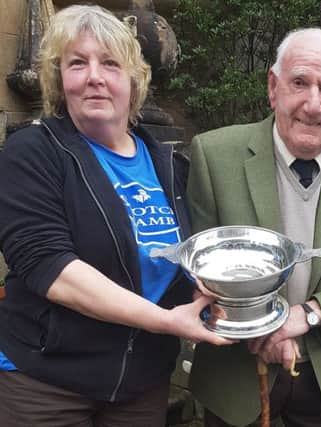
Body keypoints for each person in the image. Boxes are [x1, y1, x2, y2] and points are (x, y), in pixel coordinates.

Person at [0, 5, 231, 427]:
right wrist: (165, 322)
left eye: (110, 63)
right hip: (48, 384)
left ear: (134, 80)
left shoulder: (169, 165)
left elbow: (181, 258)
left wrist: (219, 295)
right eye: (77, 63)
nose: (94, 76)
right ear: (59, 79)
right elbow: (52, 269)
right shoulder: (32, 153)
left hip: (140, 385)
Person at [186, 28, 321, 427]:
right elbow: (199, 271)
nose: (313, 104)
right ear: (273, 86)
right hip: (238, 379)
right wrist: (256, 327)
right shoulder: (215, 155)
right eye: (299, 83)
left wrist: (308, 315)